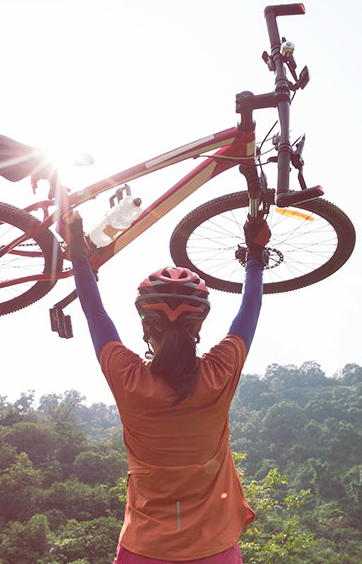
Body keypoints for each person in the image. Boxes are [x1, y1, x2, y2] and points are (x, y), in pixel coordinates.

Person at [61, 210, 271, 564]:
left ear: (147, 328)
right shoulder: (219, 374)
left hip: (144, 550)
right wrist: (254, 255)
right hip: (214, 550)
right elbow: (250, 309)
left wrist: (78, 253)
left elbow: (94, 312)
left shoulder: (129, 379)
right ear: (197, 327)